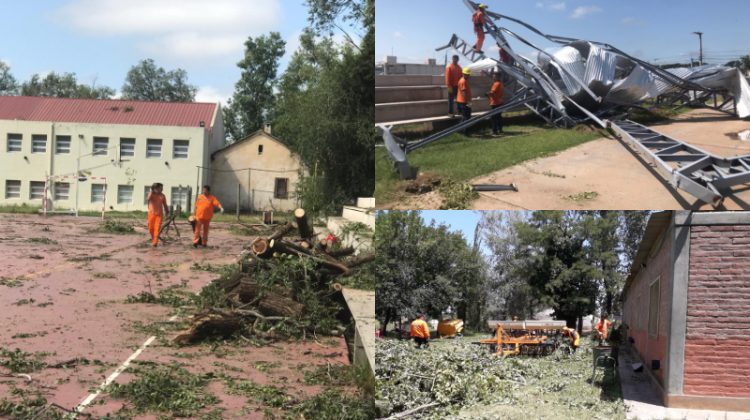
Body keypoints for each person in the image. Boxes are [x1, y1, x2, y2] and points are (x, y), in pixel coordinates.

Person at [146, 183, 168, 248]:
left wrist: (167, 212)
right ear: (156, 188)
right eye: (160, 188)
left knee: (157, 229)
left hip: (159, 215)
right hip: (151, 214)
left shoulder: (162, 196)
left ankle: (155, 243)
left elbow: (165, 205)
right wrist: (152, 191)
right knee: (150, 228)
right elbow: (148, 199)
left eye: (162, 188)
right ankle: (154, 239)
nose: (162, 189)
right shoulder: (151, 194)